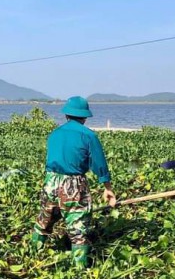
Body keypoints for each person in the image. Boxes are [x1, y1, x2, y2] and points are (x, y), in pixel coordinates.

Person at [32, 96, 116, 267]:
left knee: (45, 219)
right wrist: (108, 188)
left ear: (66, 115)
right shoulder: (88, 135)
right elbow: (99, 164)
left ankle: (31, 255)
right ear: (84, 117)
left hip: (50, 181)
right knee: (78, 227)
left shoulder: (55, 134)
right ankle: (79, 271)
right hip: (73, 184)